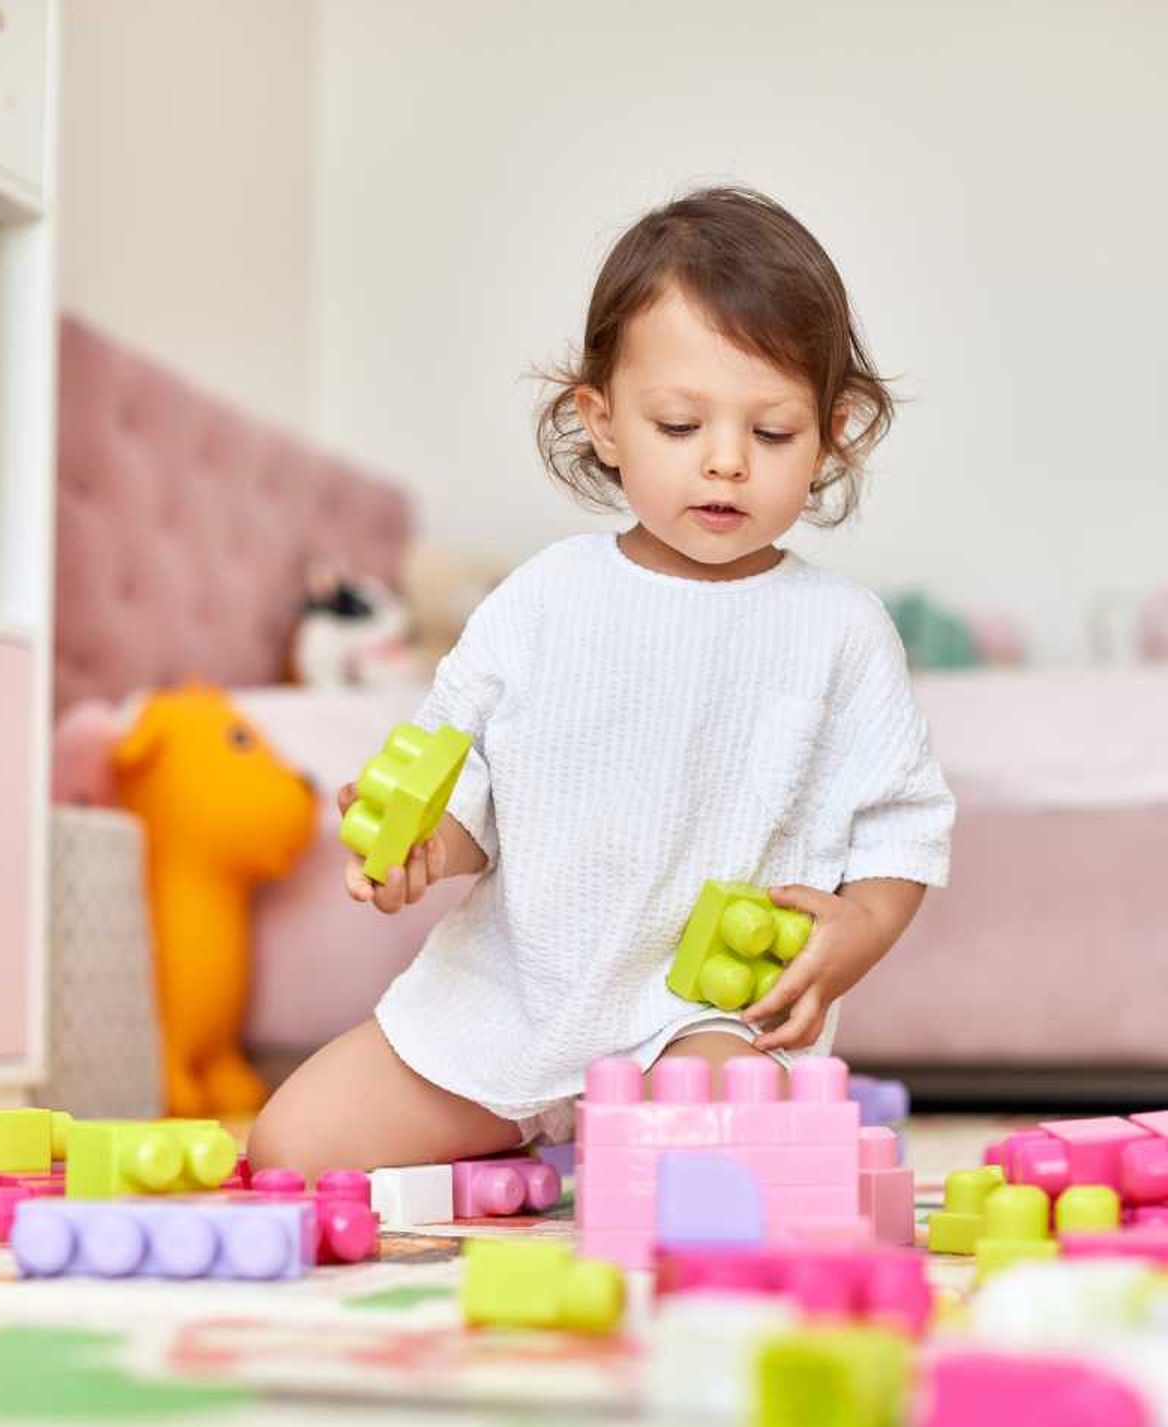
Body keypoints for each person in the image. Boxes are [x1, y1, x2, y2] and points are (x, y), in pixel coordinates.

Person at [249, 185, 954, 1179]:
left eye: (773, 433)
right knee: (292, 1146)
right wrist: (417, 845)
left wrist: (861, 930)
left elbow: (901, 824)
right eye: (678, 425)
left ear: (832, 433)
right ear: (605, 419)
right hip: (517, 993)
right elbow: (465, 792)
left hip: (701, 1013)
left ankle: (616, 1140)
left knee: (718, 1165)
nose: (724, 463)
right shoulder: (539, 601)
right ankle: (530, 1118)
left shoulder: (842, 629)